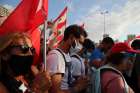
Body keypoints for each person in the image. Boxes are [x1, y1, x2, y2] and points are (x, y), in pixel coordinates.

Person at [46, 24, 89, 93]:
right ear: (71, 37)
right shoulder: (56, 57)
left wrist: (77, 81)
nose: (81, 47)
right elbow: (56, 91)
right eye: (80, 43)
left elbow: (66, 81)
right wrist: (78, 88)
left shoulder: (67, 55)